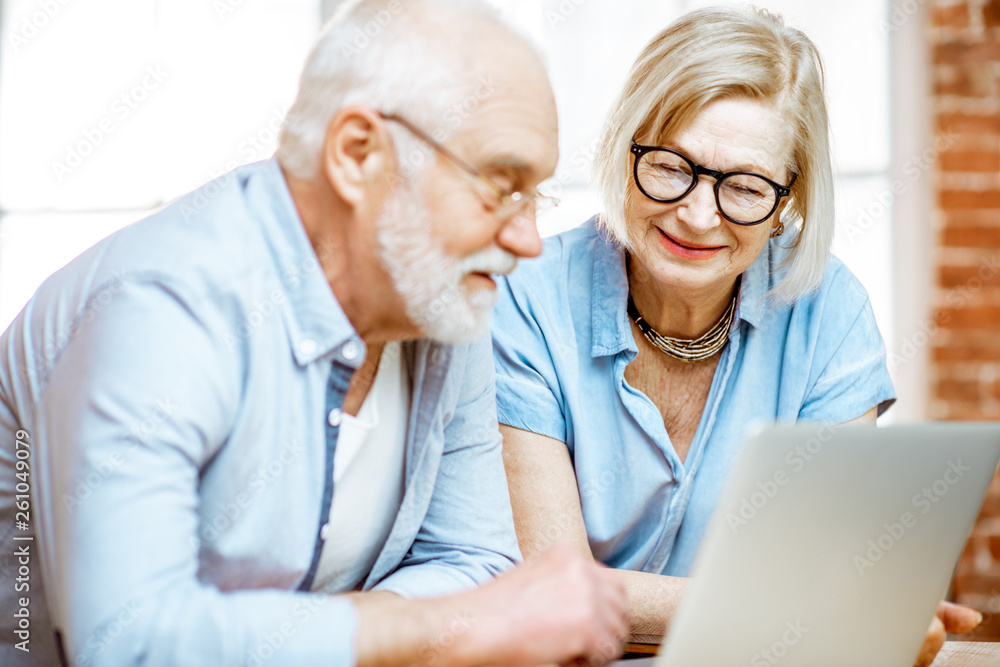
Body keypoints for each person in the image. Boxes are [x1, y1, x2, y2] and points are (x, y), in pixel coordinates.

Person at [0, 1, 630, 665]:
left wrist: (313, 634)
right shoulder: (163, 303)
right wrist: (433, 625)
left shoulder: (439, 294)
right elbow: (132, 643)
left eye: (537, 196)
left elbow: (474, 559)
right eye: (502, 186)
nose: (528, 238)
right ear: (358, 153)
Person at [491, 6, 979, 667]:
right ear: (624, 144)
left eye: (746, 187)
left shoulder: (828, 311)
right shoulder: (523, 299)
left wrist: (845, 606)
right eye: (670, 166)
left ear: (789, 201)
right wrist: (836, 607)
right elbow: (553, 598)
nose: (696, 215)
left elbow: (811, 581)